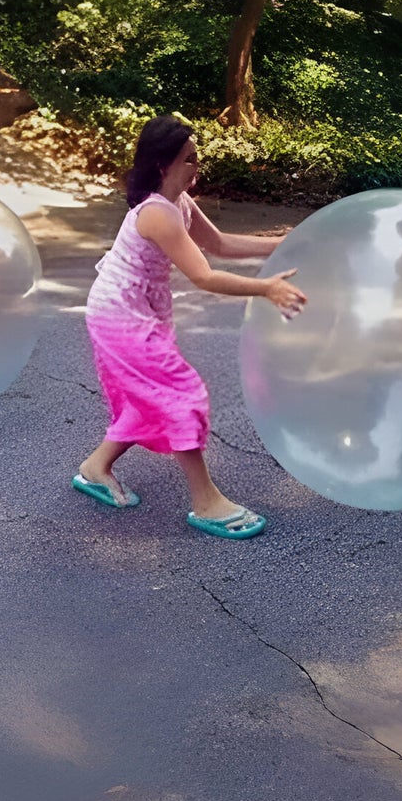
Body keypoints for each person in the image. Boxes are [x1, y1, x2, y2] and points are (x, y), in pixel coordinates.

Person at [73, 114, 306, 539]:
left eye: (197, 158)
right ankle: (206, 502)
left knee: (150, 396)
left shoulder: (178, 201)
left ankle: (94, 468)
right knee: (182, 395)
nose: (197, 167)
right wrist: (265, 289)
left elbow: (219, 244)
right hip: (119, 316)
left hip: (142, 310)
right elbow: (204, 275)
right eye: (189, 160)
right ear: (163, 165)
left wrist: (288, 241)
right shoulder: (156, 213)